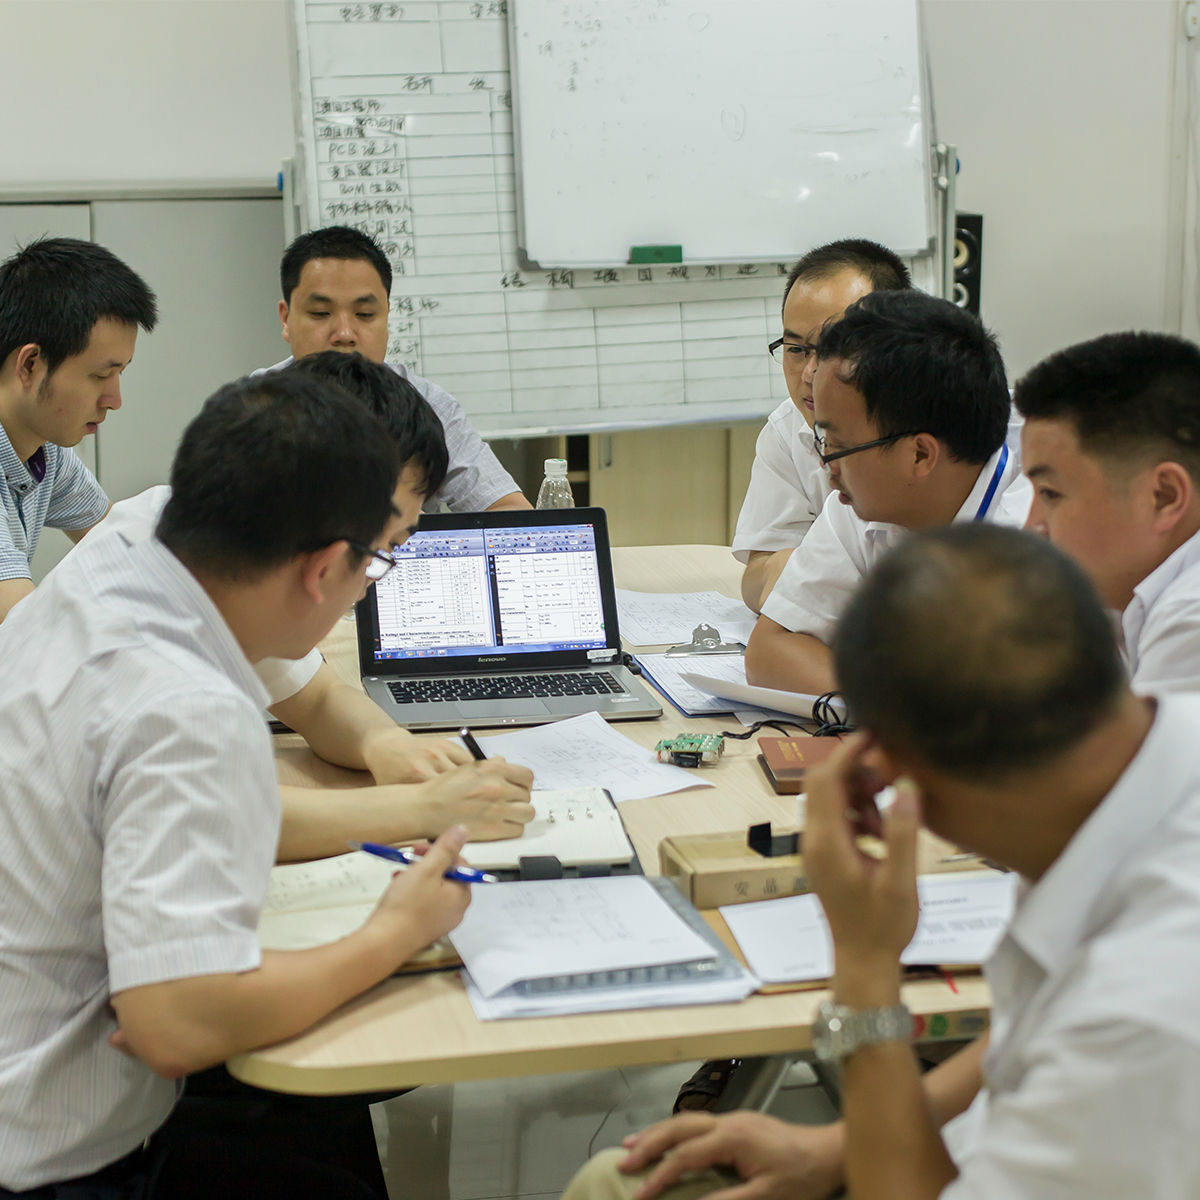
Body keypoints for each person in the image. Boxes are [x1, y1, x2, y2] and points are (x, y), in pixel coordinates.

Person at [564, 523, 1200, 1199]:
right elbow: (1025, 1037)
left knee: (615, 1186)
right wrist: (834, 1148)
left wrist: (865, 963)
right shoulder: (1135, 765)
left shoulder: (1143, 1012)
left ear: (899, 776)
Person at [0, 370, 490, 1197]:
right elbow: (175, 1026)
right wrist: (398, 930)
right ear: (325, 568)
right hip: (50, 1154)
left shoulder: (135, 550)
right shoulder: (191, 706)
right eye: (380, 560)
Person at [85, 351, 534, 862]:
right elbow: (220, 823)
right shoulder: (150, 623)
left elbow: (315, 698)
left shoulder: (217, 546)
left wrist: (390, 746)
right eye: (384, 550)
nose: (365, 588)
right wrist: (425, 809)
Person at [744, 290, 1030, 696]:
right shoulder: (864, 499)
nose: (827, 467)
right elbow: (771, 652)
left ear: (920, 454)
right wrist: (901, 706)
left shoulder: (1040, 521)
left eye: (838, 447)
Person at [263, 224, 530, 512]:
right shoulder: (255, 408)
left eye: (365, 314)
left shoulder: (425, 404)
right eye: (320, 313)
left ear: (387, 317)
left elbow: (510, 511)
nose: (344, 333)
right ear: (286, 319)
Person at [1016, 330, 1200, 693]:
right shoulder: (1124, 599)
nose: (1031, 525)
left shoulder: (1191, 617)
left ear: (1163, 496)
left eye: (1050, 494)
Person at [733, 239, 911, 613]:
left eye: (834, 350)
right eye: (796, 350)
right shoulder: (789, 430)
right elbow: (757, 578)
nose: (810, 373)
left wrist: (807, 579)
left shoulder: (929, 435)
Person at [0, 236, 157, 620]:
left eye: (120, 374)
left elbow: (122, 546)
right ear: (30, 365)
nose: (114, 399)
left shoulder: (44, 452)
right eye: (101, 375)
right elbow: (23, 627)